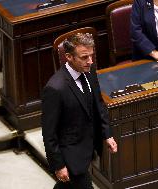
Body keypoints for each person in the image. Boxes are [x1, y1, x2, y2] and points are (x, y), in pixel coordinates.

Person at [42, 33, 117, 189]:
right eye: (84, 57)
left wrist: (107, 134)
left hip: (88, 148)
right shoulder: (55, 88)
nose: (90, 61)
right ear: (69, 57)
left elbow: (98, 104)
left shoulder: (89, 70)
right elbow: (49, 133)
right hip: (71, 154)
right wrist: (59, 165)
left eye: (91, 56)